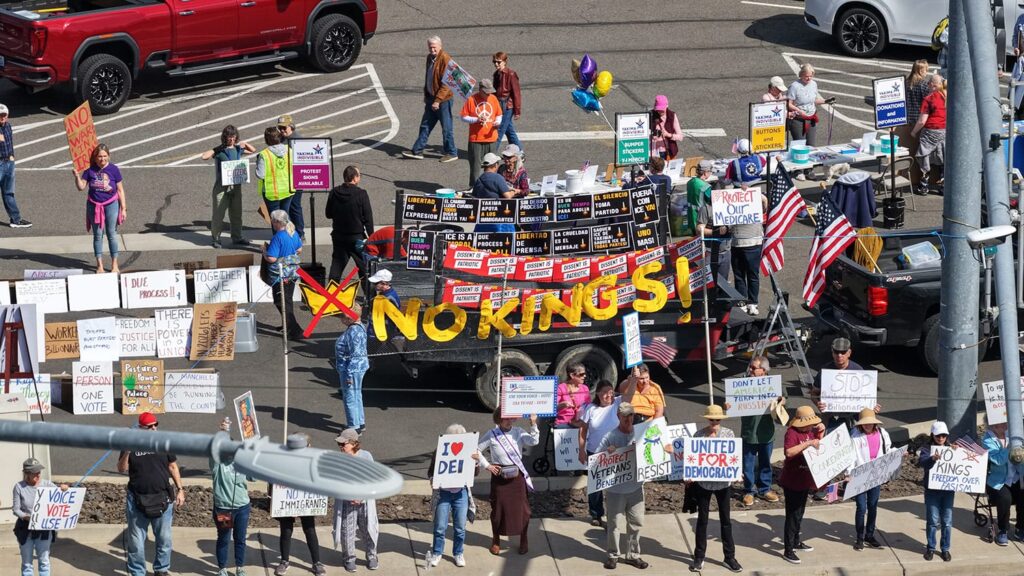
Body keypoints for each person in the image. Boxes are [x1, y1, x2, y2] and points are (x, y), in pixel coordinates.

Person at [117, 412, 185, 576]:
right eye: (149, 426)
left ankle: (161, 569)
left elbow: (173, 466)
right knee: (136, 542)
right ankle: (137, 572)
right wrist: (127, 451)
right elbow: (121, 469)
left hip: (163, 498)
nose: (154, 428)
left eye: (156, 424)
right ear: (140, 427)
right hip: (137, 500)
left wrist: (180, 489)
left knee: (164, 539)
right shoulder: (130, 443)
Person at [476, 408, 539, 556]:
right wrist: (488, 466)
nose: (509, 421)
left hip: (517, 477)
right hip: (499, 476)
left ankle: (523, 539)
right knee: (498, 510)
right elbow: (476, 450)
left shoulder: (518, 431)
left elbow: (534, 441)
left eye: (511, 418)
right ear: (499, 419)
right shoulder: (492, 434)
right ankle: (496, 539)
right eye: (506, 418)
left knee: (522, 510)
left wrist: (533, 424)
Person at [597, 401, 650, 570]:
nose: (628, 419)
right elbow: (597, 458)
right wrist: (607, 453)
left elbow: (654, 449)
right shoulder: (610, 436)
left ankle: (633, 555)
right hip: (615, 489)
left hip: (635, 487)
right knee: (614, 524)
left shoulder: (640, 433)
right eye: (624, 416)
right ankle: (613, 555)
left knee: (637, 522)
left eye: (631, 415)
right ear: (618, 416)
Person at [690, 404, 743, 573]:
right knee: (702, 521)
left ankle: (729, 557)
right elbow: (693, 457)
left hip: (723, 484)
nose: (714, 422)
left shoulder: (728, 434)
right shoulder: (698, 435)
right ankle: (699, 557)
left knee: (726, 520)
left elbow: (733, 456)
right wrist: (690, 473)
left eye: (717, 419)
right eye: (712, 419)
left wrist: (737, 472)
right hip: (703, 484)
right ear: (707, 419)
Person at [578, 377, 637, 526]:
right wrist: (581, 450)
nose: (609, 395)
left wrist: (634, 380)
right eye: (605, 392)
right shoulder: (590, 409)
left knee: (616, 484)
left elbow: (630, 394)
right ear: (598, 393)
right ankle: (596, 514)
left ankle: (616, 513)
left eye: (611, 392)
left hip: (617, 452)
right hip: (595, 452)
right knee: (595, 486)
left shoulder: (618, 403)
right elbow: (582, 430)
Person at [728, 356, 781, 506]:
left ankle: (765, 489)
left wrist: (781, 400)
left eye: (753, 368)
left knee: (765, 462)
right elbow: (733, 402)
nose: (750, 370)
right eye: (750, 367)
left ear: (763, 370)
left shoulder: (773, 384)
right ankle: (749, 491)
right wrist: (728, 405)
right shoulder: (742, 384)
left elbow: (785, 399)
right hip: (749, 432)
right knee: (748, 464)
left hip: (766, 432)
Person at [428, 423, 479, 568]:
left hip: (461, 493)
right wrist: (432, 479)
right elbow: (431, 472)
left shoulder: (469, 451)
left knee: (460, 528)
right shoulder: (439, 451)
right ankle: (437, 552)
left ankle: (458, 553)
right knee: (440, 527)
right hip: (443, 494)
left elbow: (475, 474)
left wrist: (476, 462)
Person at [779, 405, 825, 564]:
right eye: (809, 424)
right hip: (792, 480)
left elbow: (819, 446)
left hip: (804, 479)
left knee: (800, 513)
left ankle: (796, 541)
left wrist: (821, 433)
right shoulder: (792, 433)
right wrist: (808, 443)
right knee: (792, 515)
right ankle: (788, 550)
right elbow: (789, 452)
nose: (811, 426)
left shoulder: (810, 431)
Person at [273, 434, 324, 576]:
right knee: (286, 531)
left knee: (310, 530)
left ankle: (317, 562)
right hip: (288, 502)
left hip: (305, 502)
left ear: (309, 446)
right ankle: (284, 561)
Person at [402, 36, 458, 163]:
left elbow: (447, 84)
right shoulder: (430, 58)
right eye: (430, 47)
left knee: (446, 128)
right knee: (425, 125)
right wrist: (427, 96)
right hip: (431, 98)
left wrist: (437, 100)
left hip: (443, 101)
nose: (432, 50)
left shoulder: (446, 59)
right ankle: (417, 150)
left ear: (440, 46)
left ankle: (451, 152)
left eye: (434, 47)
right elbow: (429, 77)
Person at [73, 143, 127, 274]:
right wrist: (77, 177)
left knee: (111, 234)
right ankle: (100, 266)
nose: (102, 159)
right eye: (99, 156)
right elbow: (81, 187)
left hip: (111, 204)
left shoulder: (114, 169)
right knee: (98, 235)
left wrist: (124, 209)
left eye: (104, 156)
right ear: (95, 158)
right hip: (94, 205)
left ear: (109, 156)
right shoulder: (89, 170)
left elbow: (120, 190)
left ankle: (114, 265)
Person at [201, 125, 256, 248]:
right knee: (218, 214)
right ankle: (216, 239)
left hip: (235, 187)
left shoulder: (237, 149)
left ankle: (237, 237)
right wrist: (216, 149)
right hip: (222, 187)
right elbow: (204, 156)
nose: (231, 139)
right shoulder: (220, 151)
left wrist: (244, 143)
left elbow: (253, 150)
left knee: (236, 214)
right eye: (229, 137)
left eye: (233, 137)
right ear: (225, 137)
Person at [211, 418, 252, 576]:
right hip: (224, 509)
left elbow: (253, 477)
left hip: (242, 508)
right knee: (224, 538)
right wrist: (223, 432)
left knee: (240, 539)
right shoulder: (217, 463)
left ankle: (240, 567)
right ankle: (222, 568)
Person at [13, 458, 68, 576]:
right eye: (35, 472)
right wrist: (26, 517)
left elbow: (61, 495)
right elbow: (16, 509)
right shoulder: (19, 487)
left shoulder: (47, 484)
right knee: (27, 563)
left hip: (44, 529)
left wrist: (64, 488)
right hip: (25, 529)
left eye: (39, 471)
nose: (38, 474)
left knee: (44, 561)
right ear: (27, 473)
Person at [811, 337, 880, 433]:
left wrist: (872, 406)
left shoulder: (858, 370)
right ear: (832, 352)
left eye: (843, 352)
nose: (839, 355)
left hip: (854, 415)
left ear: (849, 353)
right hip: (830, 415)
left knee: (860, 436)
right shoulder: (824, 371)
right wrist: (818, 404)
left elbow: (867, 396)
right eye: (836, 352)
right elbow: (814, 393)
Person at [334, 429, 379, 572]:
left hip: (365, 502)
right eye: (339, 444)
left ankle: (372, 556)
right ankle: (349, 558)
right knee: (347, 531)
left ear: (353, 443)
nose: (341, 447)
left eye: (343, 444)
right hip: (347, 502)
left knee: (369, 530)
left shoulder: (366, 456)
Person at [847, 407, 892, 551]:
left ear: (874, 423)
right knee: (861, 507)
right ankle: (860, 537)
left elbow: (887, 450)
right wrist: (848, 473)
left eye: (870, 422)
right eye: (864, 423)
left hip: (875, 475)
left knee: (873, 506)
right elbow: (850, 456)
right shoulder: (855, 435)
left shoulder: (882, 433)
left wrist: (898, 453)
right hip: (860, 475)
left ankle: (870, 535)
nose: (867, 425)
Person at [326, 165, 373, 282]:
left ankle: (332, 290)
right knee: (364, 268)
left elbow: (328, 214)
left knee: (336, 266)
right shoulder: (361, 194)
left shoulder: (334, 192)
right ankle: (368, 292)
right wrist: (371, 237)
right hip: (357, 237)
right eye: (359, 175)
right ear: (355, 178)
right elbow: (368, 218)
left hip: (339, 236)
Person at [263, 209, 303, 339]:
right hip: (292, 273)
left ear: (276, 222)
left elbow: (272, 258)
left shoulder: (277, 237)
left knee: (281, 302)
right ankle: (287, 325)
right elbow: (299, 249)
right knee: (287, 300)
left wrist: (264, 252)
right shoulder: (293, 232)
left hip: (280, 275)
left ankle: (294, 329)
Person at [983, 419, 1024, 546]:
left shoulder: (1014, 434)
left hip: (1017, 477)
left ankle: (1021, 528)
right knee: (1005, 498)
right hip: (998, 480)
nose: (1006, 423)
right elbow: (998, 460)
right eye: (1002, 422)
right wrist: (1011, 447)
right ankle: (1003, 530)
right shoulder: (987, 440)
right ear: (994, 425)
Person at [917, 421, 953, 562]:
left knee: (947, 521)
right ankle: (931, 547)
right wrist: (932, 459)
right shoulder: (927, 449)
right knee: (932, 520)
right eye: (938, 436)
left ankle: (945, 549)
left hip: (948, 490)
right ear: (933, 435)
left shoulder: (951, 448)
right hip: (932, 491)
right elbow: (922, 462)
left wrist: (957, 451)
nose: (941, 438)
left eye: (944, 435)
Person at [729, 184, 767, 315]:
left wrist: (750, 192)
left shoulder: (755, 200)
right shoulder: (730, 202)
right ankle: (742, 302)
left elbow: (765, 201)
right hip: (737, 243)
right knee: (740, 275)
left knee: (751, 275)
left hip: (753, 243)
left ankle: (752, 303)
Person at [896, 61, 932, 191]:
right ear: (921, 70)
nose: (927, 72)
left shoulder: (905, 83)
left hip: (906, 121)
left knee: (907, 151)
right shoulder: (923, 85)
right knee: (920, 152)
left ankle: (905, 176)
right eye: (926, 69)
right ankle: (919, 179)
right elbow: (929, 102)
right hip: (919, 121)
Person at [460, 78, 503, 188]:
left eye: (490, 92)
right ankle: (474, 188)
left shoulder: (493, 98)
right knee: (475, 167)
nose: (489, 94)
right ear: (480, 90)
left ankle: (491, 187)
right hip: (476, 139)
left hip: (491, 138)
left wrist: (498, 122)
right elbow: (463, 117)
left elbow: (499, 114)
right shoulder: (471, 100)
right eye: (486, 92)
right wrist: (476, 119)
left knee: (492, 166)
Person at [910, 74, 946, 196]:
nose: (927, 85)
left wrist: (914, 132)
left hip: (930, 131)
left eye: (928, 83)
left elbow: (922, 121)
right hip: (944, 131)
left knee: (924, 156)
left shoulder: (929, 99)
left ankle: (924, 185)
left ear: (932, 84)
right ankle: (943, 186)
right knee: (943, 156)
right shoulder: (947, 96)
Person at [336, 303, 369, 434]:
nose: (340, 318)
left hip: (351, 369)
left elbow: (355, 354)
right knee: (356, 395)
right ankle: (360, 422)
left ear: (349, 317)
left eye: (342, 315)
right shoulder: (360, 326)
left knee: (349, 397)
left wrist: (349, 375)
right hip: (359, 367)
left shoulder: (352, 331)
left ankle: (353, 427)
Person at [696, 183, 733, 291]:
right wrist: (715, 232)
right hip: (710, 252)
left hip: (726, 251)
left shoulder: (730, 208)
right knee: (710, 284)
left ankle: (720, 301)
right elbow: (699, 229)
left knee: (723, 284)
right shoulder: (706, 209)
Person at [0, 104, 30, 228]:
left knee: (9, 193)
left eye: (4, 115)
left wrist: (12, 157)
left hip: (9, 162)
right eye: (0, 115)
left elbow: (8, 143)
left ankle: (15, 219)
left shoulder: (8, 126)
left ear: (7, 115)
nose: (2, 117)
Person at [786, 63, 828, 150]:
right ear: (801, 75)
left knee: (811, 146)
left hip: (811, 119)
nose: (809, 78)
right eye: (806, 76)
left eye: (811, 76)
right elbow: (788, 104)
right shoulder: (794, 86)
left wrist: (826, 101)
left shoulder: (814, 84)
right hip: (798, 120)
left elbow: (813, 100)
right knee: (800, 147)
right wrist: (799, 111)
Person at [276, 115, 305, 239]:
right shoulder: (280, 139)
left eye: (284, 127)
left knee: (295, 205)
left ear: (291, 126)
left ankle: (300, 233)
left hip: (296, 177)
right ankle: (289, 231)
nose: (282, 130)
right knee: (285, 207)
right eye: (280, 128)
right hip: (284, 179)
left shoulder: (298, 140)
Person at [256, 126, 294, 219]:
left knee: (276, 219)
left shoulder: (264, 154)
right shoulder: (289, 150)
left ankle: (280, 230)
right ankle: (288, 229)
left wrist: (257, 165)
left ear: (266, 139)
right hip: (288, 189)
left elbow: (260, 175)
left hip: (272, 192)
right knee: (285, 217)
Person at [492, 52, 523, 150]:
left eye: (498, 62)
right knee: (509, 131)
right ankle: (519, 151)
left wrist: (517, 111)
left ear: (505, 62)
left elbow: (516, 93)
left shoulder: (511, 74)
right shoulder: (496, 74)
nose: (496, 64)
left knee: (499, 131)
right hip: (499, 104)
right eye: (494, 62)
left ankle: (492, 153)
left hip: (507, 106)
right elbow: (495, 91)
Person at [555, 362, 590, 428]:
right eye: (582, 374)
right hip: (564, 423)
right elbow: (552, 408)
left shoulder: (585, 388)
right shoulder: (561, 388)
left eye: (585, 374)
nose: (584, 376)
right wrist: (562, 405)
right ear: (572, 375)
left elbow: (589, 406)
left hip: (580, 422)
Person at [685, 159, 715, 236]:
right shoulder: (706, 187)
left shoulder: (690, 182)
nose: (710, 173)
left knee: (694, 238)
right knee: (701, 239)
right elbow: (713, 202)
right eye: (710, 171)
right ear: (705, 172)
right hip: (701, 218)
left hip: (691, 216)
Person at [650, 95, 683, 161]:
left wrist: (668, 134)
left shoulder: (672, 115)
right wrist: (652, 135)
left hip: (669, 151)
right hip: (654, 152)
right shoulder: (650, 115)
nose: (660, 112)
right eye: (658, 110)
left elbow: (680, 137)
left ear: (667, 106)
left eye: (662, 109)